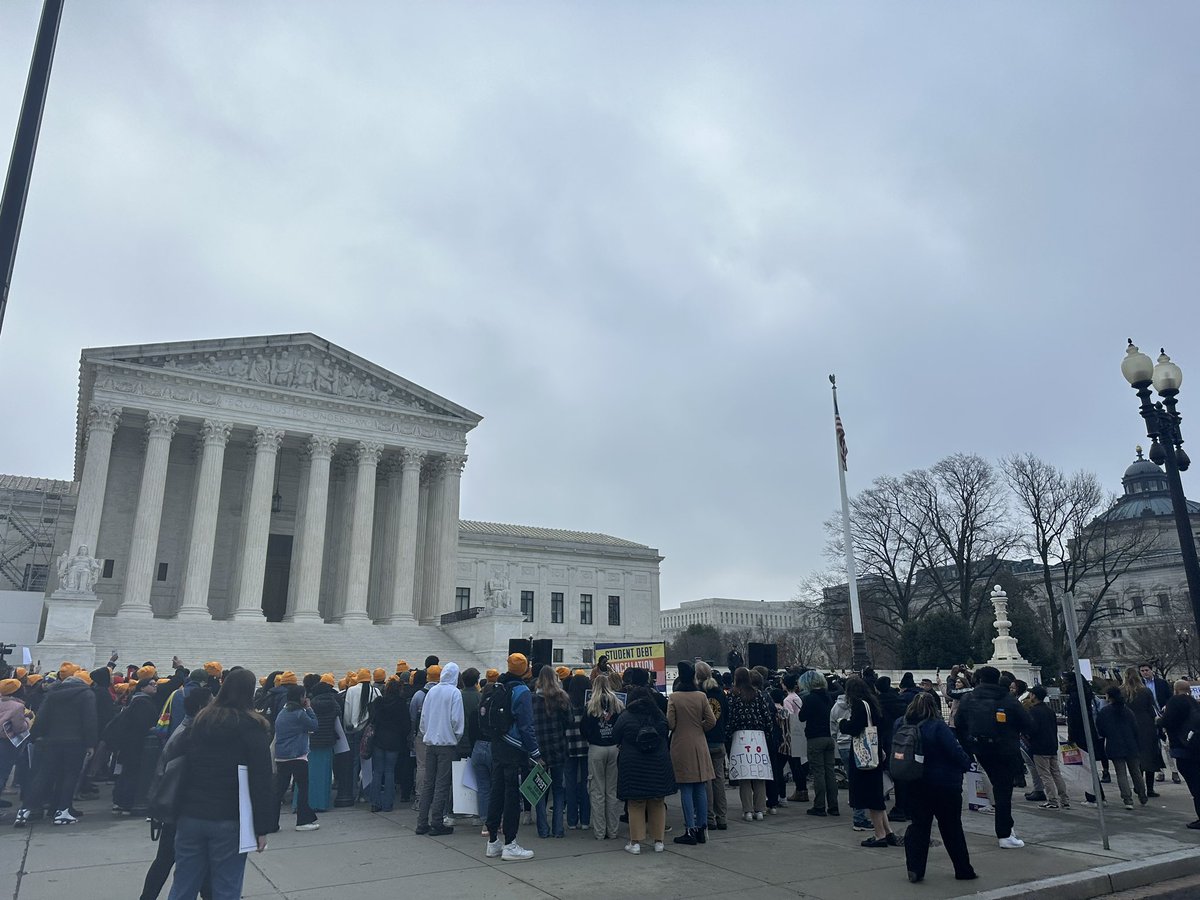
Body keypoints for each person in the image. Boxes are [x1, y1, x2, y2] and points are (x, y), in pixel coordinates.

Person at [166, 668, 278, 900]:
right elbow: (261, 779)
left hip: (191, 813)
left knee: (183, 884)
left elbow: (177, 761)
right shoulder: (252, 726)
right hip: (230, 818)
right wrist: (262, 827)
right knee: (226, 887)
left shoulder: (200, 721)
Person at [140, 689, 213, 900]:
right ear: (201, 708)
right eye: (211, 702)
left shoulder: (188, 730)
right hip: (177, 808)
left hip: (175, 807)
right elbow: (170, 775)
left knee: (174, 860)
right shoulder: (188, 735)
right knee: (169, 859)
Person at [900, 692, 977, 884]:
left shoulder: (901, 725)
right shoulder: (937, 726)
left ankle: (915, 869)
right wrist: (967, 764)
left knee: (919, 826)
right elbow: (955, 751)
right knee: (951, 827)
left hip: (915, 781)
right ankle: (963, 869)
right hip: (944, 784)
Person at [954, 665, 1031, 849]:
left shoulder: (968, 698)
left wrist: (969, 748)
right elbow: (1028, 724)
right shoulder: (1008, 700)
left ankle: (1007, 827)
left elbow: (959, 724)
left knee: (999, 786)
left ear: (979, 680)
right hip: (1005, 749)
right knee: (1003, 790)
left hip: (980, 749)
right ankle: (1004, 833)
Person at [18, 669, 96, 826]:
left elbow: (42, 717)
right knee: (69, 776)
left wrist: (35, 736)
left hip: (50, 741)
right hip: (75, 742)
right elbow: (90, 720)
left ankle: (24, 810)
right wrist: (91, 743)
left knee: (42, 775)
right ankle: (62, 811)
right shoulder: (86, 694)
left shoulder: (52, 694)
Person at [484, 653, 540, 861]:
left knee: (496, 791)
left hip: (497, 743)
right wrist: (535, 752)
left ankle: (492, 841)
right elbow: (526, 726)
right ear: (525, 669)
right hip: (513, 747)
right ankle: (510, 843)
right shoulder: (522, 690)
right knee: (511, 795)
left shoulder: (498, 685)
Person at [614, 684, 676, 855]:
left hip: (633, 765)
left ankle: (635, 843)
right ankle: (659, 841)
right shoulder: (658, 715)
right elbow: (666, 731)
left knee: (636, 803)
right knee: (657, 802)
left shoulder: (626, 716)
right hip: (658, 763)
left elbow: (615, 735)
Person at [839, 675, 898, 847]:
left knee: (870, 796)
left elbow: (856, 728)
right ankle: (887, 831)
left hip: (863, 755)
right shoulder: (872, 703)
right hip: (875, 751)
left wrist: (843, 724)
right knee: (876, 793)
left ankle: (879, 834)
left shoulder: (858, 705)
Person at [666, 661, 716, 845]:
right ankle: (703, 828)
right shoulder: (701, 696)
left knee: (686, 788)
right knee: (700, 787)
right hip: (699, 742)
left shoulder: (675, 697)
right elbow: (711, 721)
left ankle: (690, 829)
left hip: (681, 744)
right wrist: (699, 728)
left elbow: (670, 723)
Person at [416, 662, 464, 836]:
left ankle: (422, 822)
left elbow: (423, 719)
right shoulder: (454, 693)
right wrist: (455, 738)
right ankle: (437, 822)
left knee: (429, 783)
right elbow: (456, 721)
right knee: (442, 784)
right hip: (446, 744)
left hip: (431, 743)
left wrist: (428, 733)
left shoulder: (432, 691)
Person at [727, 666, 775, 822]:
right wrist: (768, 734)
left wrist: (728, 736)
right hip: (758, 737)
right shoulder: (758, 694)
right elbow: (767, 717)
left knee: (744, 776)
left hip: (740, 736)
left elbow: (730, 719)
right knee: (759, 774)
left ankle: (747, 810)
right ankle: (760, 809)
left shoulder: (733, 696)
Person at [110, 672, 160, 815]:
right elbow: (142, 724)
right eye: (151, 684)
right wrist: (154, 730)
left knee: (126, 773)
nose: (155, 686)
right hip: (135, 744)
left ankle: (119, 802)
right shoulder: (142, 702)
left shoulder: (135, 701)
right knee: (132, 773)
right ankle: (126, 803)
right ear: (142, 688)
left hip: (128, 744)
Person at [581, 675, 624, 841]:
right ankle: (613, 831)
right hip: (614, 748)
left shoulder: (590, 705)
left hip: (596, 748)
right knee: (612, 792)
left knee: (597, 791)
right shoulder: (618, 703)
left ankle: (600, 831)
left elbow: (583, 728)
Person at [274, 681, 319, 831]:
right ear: (301, 698)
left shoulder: (283, 712)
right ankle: (303, 821)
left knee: (279, 789)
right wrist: (309, 708)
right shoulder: (299, 714)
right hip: (297, 756)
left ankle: (270, 822)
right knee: (303, 788)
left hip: (282, 756)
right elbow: (314, 725)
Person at [532, 665, 571, 838]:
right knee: (558, 789)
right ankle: (558, 829)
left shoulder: (532, 699)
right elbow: (569, 721)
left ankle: (543, 829)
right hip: (558, 747)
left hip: (540, 749)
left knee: (540, 790)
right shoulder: (561, 697)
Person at [1157, 680, 1200, 828]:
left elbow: (1168, 721)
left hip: (1183, 747)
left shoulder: (1175, 702)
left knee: (1195, 785)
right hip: (1196, 746)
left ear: (1175, 690)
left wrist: (1158, 721)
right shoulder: (1194, 702)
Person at [1097, 685, 1147, 810]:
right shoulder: (1128, 711)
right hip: (1130, 744)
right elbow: (1136, 729)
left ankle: (1127, 799)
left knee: (1121, 773)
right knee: (1136, 771)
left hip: (1114, 745)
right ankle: (1142, 794)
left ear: (1109, 696)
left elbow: (1101, 730)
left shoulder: (1104, 712)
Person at [797, 670, 837, 817]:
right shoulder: (828, 697)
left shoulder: (810, 698)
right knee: (830, 772)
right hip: (828, 736)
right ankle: (833, 806)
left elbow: (802, 717)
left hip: (815, 737)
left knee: (818, 772)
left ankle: (819, 805)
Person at [831, 685, 871, 832]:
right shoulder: (863, 705)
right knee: (861, 782)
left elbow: (833, 728)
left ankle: (858, 812)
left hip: (843, 745)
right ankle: (860, 817)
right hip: (859, 744)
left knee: (854, 780)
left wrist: (839, 736)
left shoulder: (835, 707)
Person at [696, 661, 730, 831]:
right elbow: (727, 715)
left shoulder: (699, 694)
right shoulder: (721, 694)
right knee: (719, 780)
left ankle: (709, 817)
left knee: (706, 780)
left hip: (705, 740)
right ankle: (722, 817)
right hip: (719, 740)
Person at [368, 677, 410, 814]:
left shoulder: (378, 702)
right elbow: (406, 725)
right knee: (390, 771)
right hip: (394, 741)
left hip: (379, 739)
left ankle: (375, 802)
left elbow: (372, 720)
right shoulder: (401, 704)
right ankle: (388, 803)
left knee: (377, 772)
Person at [1121, 667, 1164, 796]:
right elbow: (1152, 709)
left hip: (1128, 726)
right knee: (1150, 757)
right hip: (1146, 725)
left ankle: (1138, 785)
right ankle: (1149, 788)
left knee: (1135, 758)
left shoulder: (1121, 691)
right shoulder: (1145, 691)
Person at [1026, 685, 1069, 810]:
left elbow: (1032, 729)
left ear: (1034, 696)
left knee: (1045, 775)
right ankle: (1064, 799)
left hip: (1039, 746)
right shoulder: (1049, 710)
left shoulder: (1033, 711)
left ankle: (1052, 800)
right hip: (1051, 745)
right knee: (1056, 773)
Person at [305, 674, 340, 813]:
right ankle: (322, 803)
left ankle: (309, 802)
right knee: (325, 774)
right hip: (327, 742)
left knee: (310, 774)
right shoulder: (334, 704)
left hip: (312, 742)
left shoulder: (311, 704)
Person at [562, 673, 592, 831]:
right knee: (586, 784)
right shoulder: (590, 704)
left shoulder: (566, 703)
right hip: (587, 747)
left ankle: (572, 820)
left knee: (570, 784)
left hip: (569, 746)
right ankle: (586, 820)